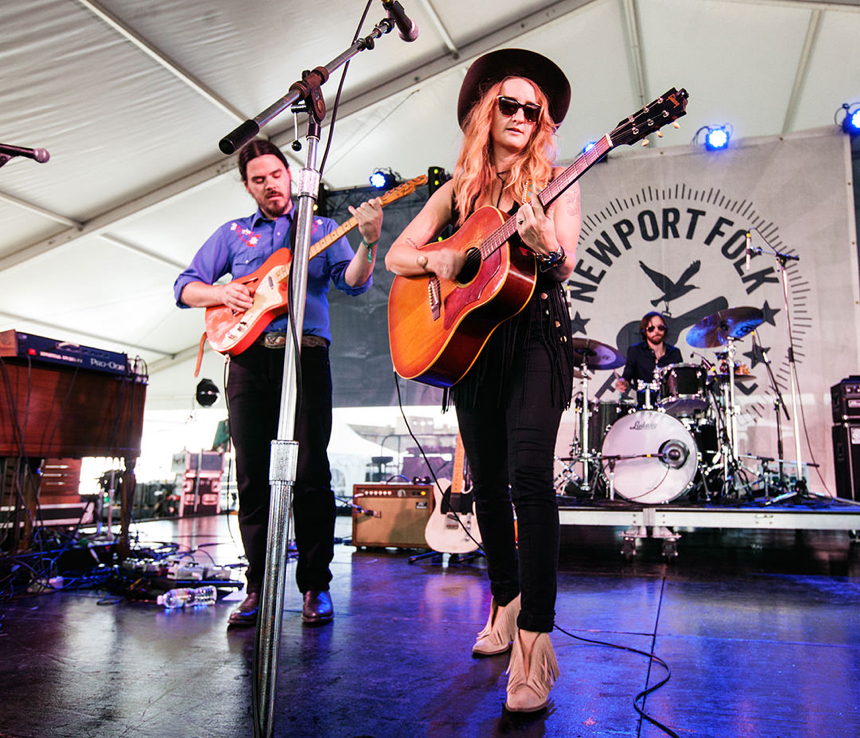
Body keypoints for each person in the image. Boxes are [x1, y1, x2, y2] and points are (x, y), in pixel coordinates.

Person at [385, 49, 579, 713]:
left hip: (535, 341)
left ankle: (533, 644)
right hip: (471, 346)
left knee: (529, 481)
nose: (523, 115)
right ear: (485, 113)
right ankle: (506, 599)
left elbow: (562, 266)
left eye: (534, 108)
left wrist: (544, 242)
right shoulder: (459, 191)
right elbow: (396, 255)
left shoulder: (557, 179)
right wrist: (446, 260)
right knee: (485, 488)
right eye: (511, 104)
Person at [174, 139, 382, 629]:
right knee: (252, 478)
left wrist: (370, 243)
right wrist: (222, 289)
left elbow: (354, 283)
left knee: (311, 473)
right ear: (248, 187)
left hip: (306, 358)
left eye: (275, 174)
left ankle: (315, 587)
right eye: (258, 179)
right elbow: (185, 287)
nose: (270, 184)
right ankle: (257, 587)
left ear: (291, 176)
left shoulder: (326, 229)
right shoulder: (232, 235)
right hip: (248, 360)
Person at [614, 311, 682, 400]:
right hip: (645, 407)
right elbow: (627, 376)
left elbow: (680, 382)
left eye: (660, 328)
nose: (656, 331)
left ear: (665, 330)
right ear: (644, 331)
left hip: (670, 406)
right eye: (651, 328)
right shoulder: (635, 351)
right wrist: (622, 383)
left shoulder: (674, 353)